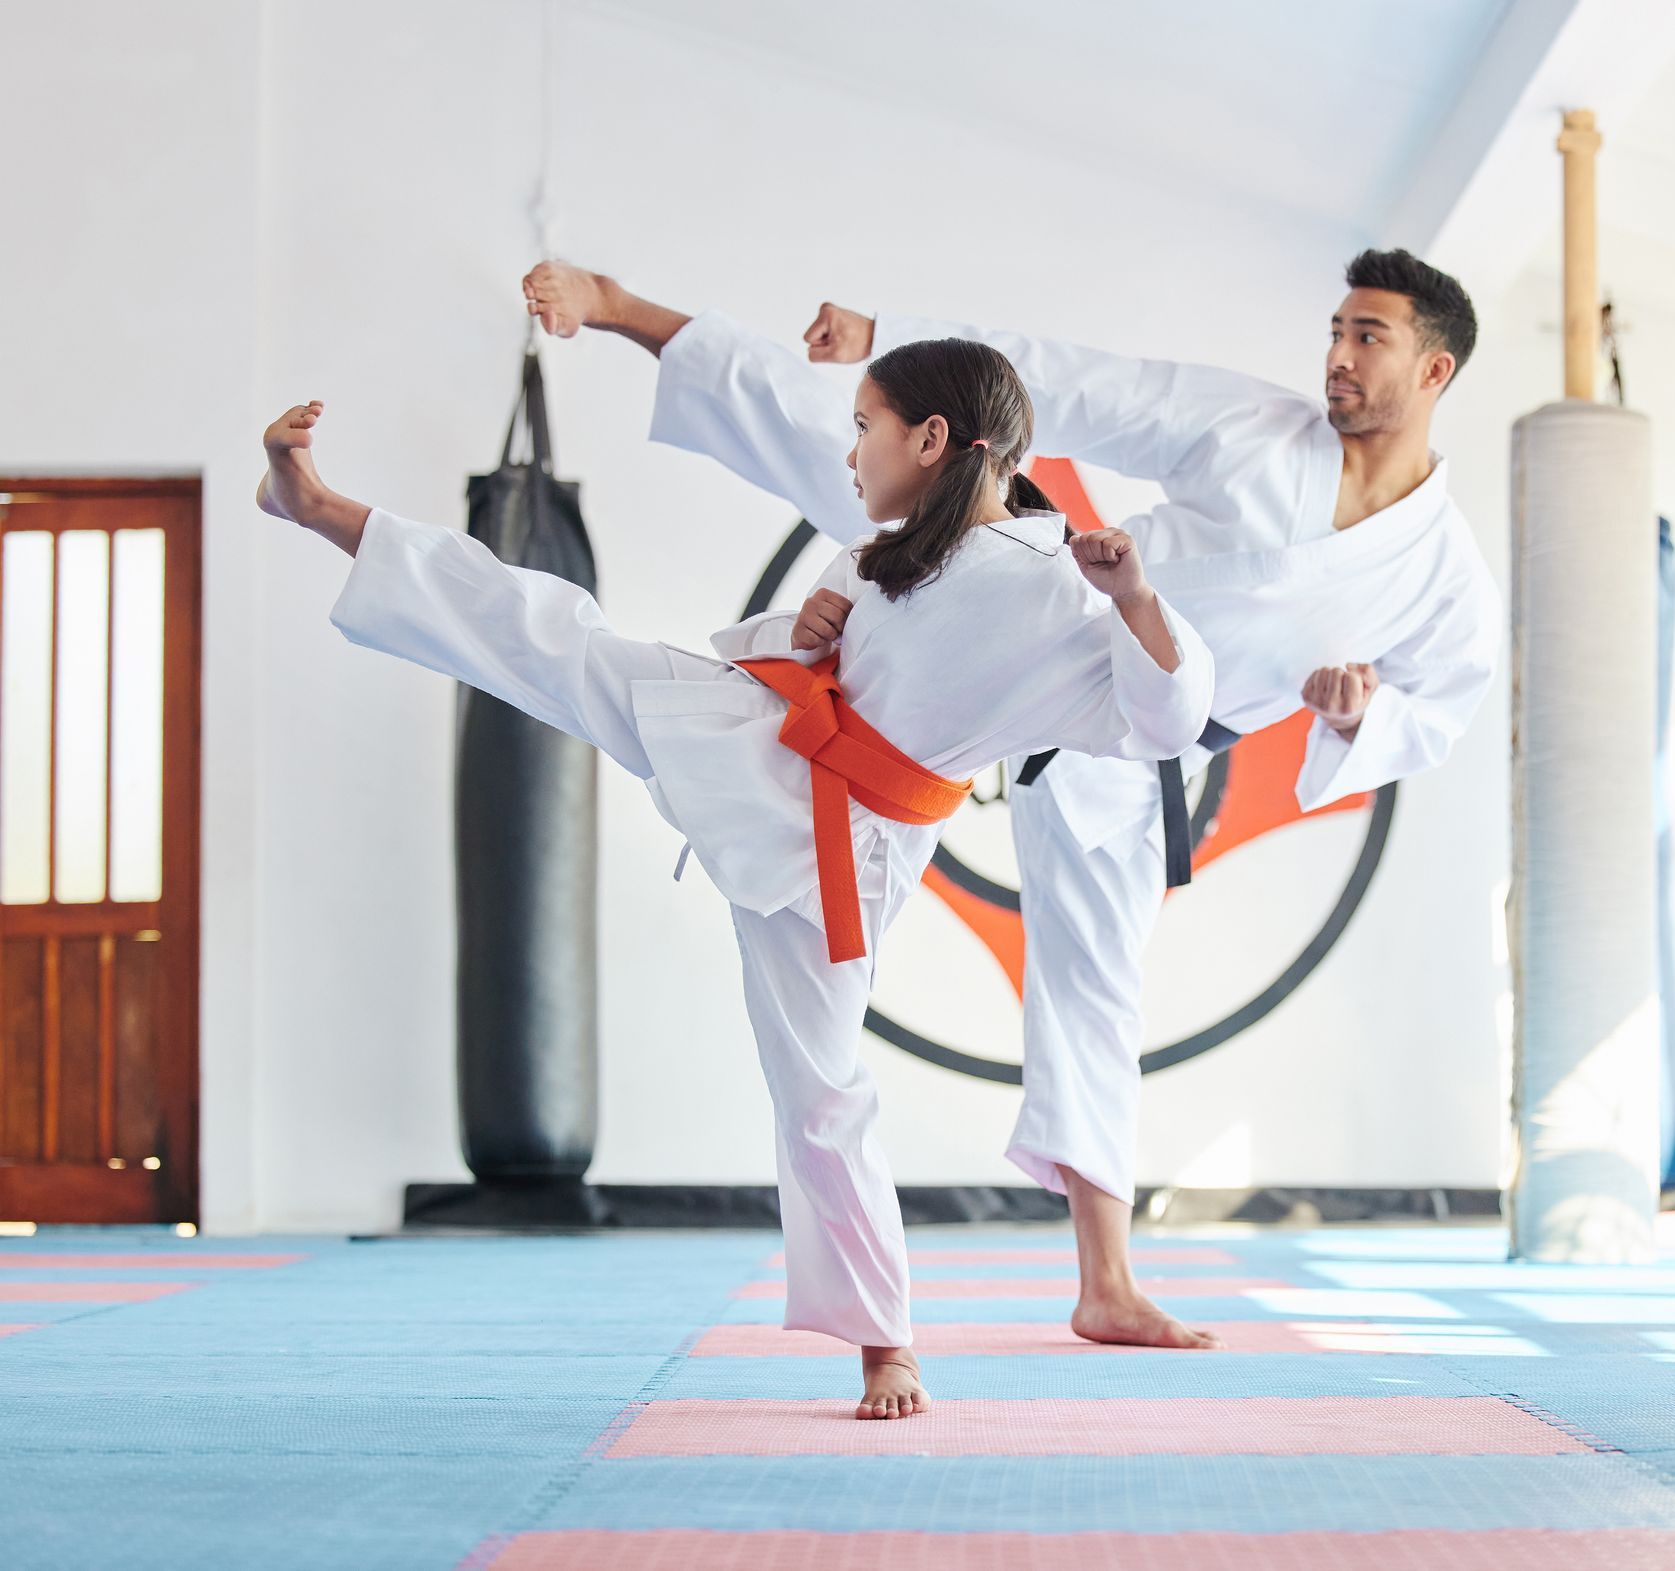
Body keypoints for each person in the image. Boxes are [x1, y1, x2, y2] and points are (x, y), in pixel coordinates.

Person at [521, 248, 1498, 1352]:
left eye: (1370, 336)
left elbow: (1440, 705)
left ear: (1435, 369)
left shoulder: (1445, 574)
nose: (1339, 355)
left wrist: (1356, 713)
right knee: (854, 445)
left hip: (1135, 735)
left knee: (1098, 983)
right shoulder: (1257, 428)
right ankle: (625, 308)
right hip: (1043, 615)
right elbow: (1080, 383)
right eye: (1337, 329)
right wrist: (889, 337)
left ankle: (1107, 1283)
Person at [253, 330, 1214, 1420]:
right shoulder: (886, 551)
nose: (851, 452)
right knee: (553, 635)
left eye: (865, 426)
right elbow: (800, 653)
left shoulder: (1060, 587)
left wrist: (1136, 599)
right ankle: (317, 508)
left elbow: (1167, 719)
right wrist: (803, 628)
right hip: (750, 735)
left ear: (932, 437)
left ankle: (886, 1344)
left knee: (822, 1090)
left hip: (842, 846)